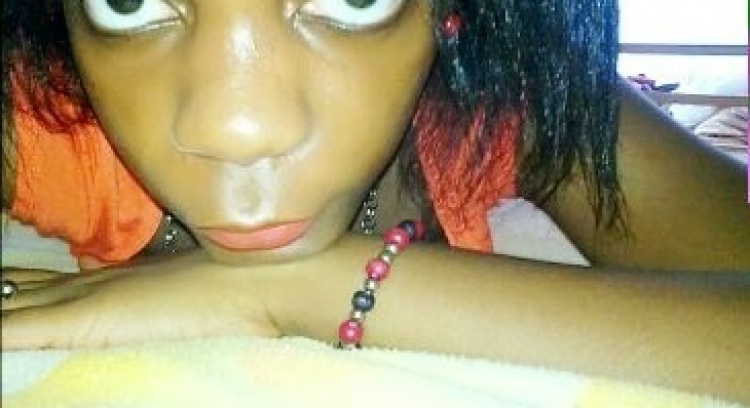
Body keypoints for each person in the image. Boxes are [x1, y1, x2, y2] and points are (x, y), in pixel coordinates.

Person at [1, 0, 749, 402]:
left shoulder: (501, 97)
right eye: (126, 4)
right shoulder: (44, 120)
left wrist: (288, 289)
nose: (238, 127)